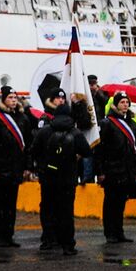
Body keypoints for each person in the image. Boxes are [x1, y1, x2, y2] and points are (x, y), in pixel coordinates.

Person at [30, 103, 94, 254]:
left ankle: (48, 241)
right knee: (66, 211)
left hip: (48, 177)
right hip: (68, 178)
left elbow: (33, 150)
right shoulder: (75, 132)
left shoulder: (45, 131)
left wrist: (43, 163)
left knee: (48, 208)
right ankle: (67, 245)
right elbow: (87, 152)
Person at [0, 86, 33, 248]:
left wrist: (27, 166)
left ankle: (9, 234)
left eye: (15, 97)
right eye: (10, 98)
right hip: (0, 168)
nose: (13, 100)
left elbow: (28, 144)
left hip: (15, 168)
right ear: (3, 100)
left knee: (11, 204)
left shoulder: (22, 118)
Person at [97, 92, 136, 244]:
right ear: (116, 105)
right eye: (122, 102)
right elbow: (100, 149)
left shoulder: (133, 124)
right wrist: (100, 171)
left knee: (121, 202)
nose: (125, 105)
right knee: (110, 202)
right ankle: (110, 233)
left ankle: (119, 232)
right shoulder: (107, 123)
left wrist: (135, 171)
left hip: (126, 169)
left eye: (127, 102)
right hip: (111, 169)